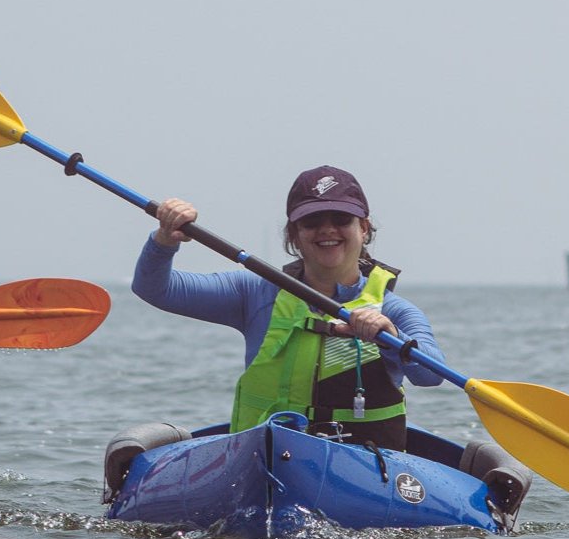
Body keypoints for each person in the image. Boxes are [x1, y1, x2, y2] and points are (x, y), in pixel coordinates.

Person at [132, 165, 446, 450]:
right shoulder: (253, 292)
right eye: (311, 221)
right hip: (265, 456)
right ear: (294, 234)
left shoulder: (395, 311)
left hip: (365, 464)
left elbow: (431, 375)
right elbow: (156, 289)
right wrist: (164, 240)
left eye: (341, 219)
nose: (327, 230)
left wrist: (391, 338)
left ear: (363, 228)